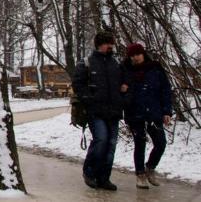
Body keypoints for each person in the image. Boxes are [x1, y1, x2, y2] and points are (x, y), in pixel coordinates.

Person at [72, 31, 124, 191]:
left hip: (114, 111)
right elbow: (78, 84)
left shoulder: (115, 63)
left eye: (112, 43)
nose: (111, 46)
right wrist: (90, 99)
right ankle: (89, 172)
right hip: (95, 111)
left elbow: (123, 81)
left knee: (111, 145)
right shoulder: (86, 62)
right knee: (101, 140)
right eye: (108, 43)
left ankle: (104, 178)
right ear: (100, 44)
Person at [121, 43, 173, 189]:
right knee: (140, 143)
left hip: (154, 112)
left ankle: (150, 167)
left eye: (138, 54)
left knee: (161, 143)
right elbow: (119, 89)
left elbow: (165, 90)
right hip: (134, 112)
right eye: (132, 55)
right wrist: (123, 90)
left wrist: (167, 111)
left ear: (143, 54)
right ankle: (140, 175)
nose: (135, 58)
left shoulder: (155, 68)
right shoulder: (125, 70)